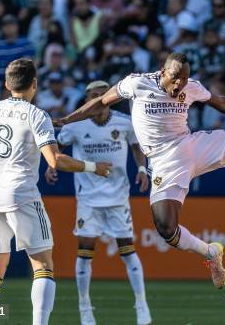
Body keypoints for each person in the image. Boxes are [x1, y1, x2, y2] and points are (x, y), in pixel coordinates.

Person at [54, 52, 225, 289]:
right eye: (176, 77)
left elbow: (219, 102)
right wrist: (67, 120)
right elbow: (100, 103)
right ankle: (210, 252)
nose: (180, 84)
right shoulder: (137, 83)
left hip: (189, 145)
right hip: (162, 161)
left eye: (185, 79)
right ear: (162, 72)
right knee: (166, 228)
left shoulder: (191, 88)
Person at [0, 58, 111, 325]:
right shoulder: (36, 115)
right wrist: (93, 167)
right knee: (43, 266)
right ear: (34, 85)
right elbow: (55, 160)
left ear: (7, 84)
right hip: (22, 195)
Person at [45, 80, 152, 325]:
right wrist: (51, 168)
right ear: (87, 100)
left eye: (105, 94)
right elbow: (56, 149)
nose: (101, 98)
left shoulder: (124, 122)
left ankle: (141, 304)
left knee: (128, 249)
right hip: (88, 198)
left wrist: (143, 170)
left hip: (118, 196)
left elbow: (137, 147)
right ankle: (85, 307)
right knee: (85, 252)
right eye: (95, 95)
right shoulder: (76, 125)